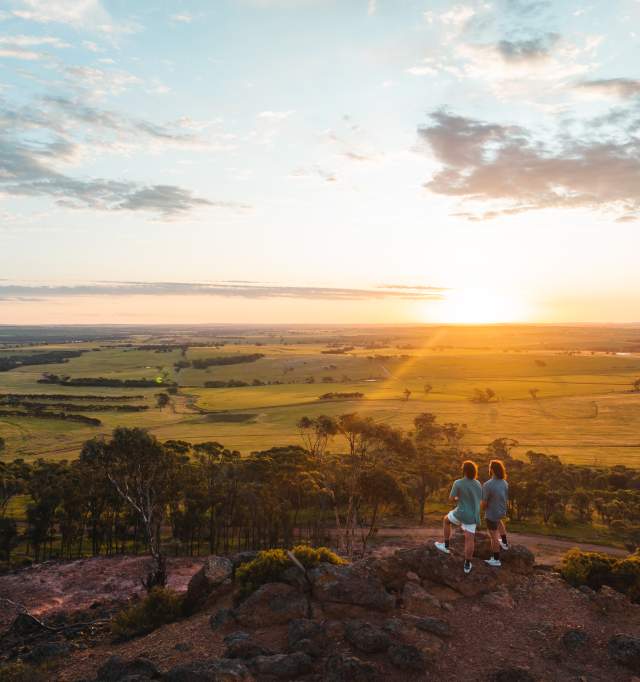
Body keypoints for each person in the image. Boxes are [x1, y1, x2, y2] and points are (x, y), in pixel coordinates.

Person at [435, 460, 482, 574]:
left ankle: (446, 546)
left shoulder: (458, 483)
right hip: (473, 515)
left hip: (460, 513)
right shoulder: (478, 483)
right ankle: (467, 564)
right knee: (469, 539)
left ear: (464, 471)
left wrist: (458, 498)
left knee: (446, 520)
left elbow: (451, 498)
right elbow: (479, 499)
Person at [482, 459, 509, 567]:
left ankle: (496, 559)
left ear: (492, 470)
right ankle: (505, 542)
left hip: (491, 513)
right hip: (501, 511)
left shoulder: (488, 484)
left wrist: (481, 508)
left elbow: (484, 503)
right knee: (499, 522)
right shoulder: (505, 482)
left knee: (493, 537)